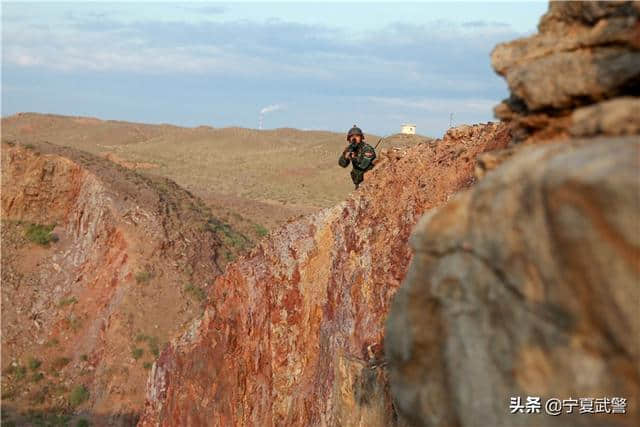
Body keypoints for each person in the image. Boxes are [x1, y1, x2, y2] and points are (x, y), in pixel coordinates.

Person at [338, 125, 376, 189]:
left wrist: (353, 158)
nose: (354, 138)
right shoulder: (350, 148)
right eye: (352, 136)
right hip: (359, 183)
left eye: (357, 136)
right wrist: (346, 157)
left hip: (370, 182)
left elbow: (363, 165)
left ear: (361, 137)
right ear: (349, 139)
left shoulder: (367, 149)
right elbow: (342, 164)